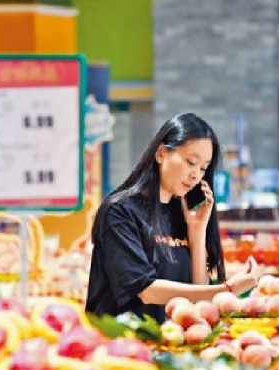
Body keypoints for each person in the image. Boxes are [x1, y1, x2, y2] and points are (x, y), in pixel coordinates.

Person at [85, 112, 260, 322]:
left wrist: (197, 232)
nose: (196, 174)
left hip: (172, 346)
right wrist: (227, 289)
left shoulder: (184, 213)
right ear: (161, 153)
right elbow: (146, 290)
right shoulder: (120, 211)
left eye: (203, 168)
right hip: (123, 347)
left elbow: (197, 300)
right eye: (190, 162)